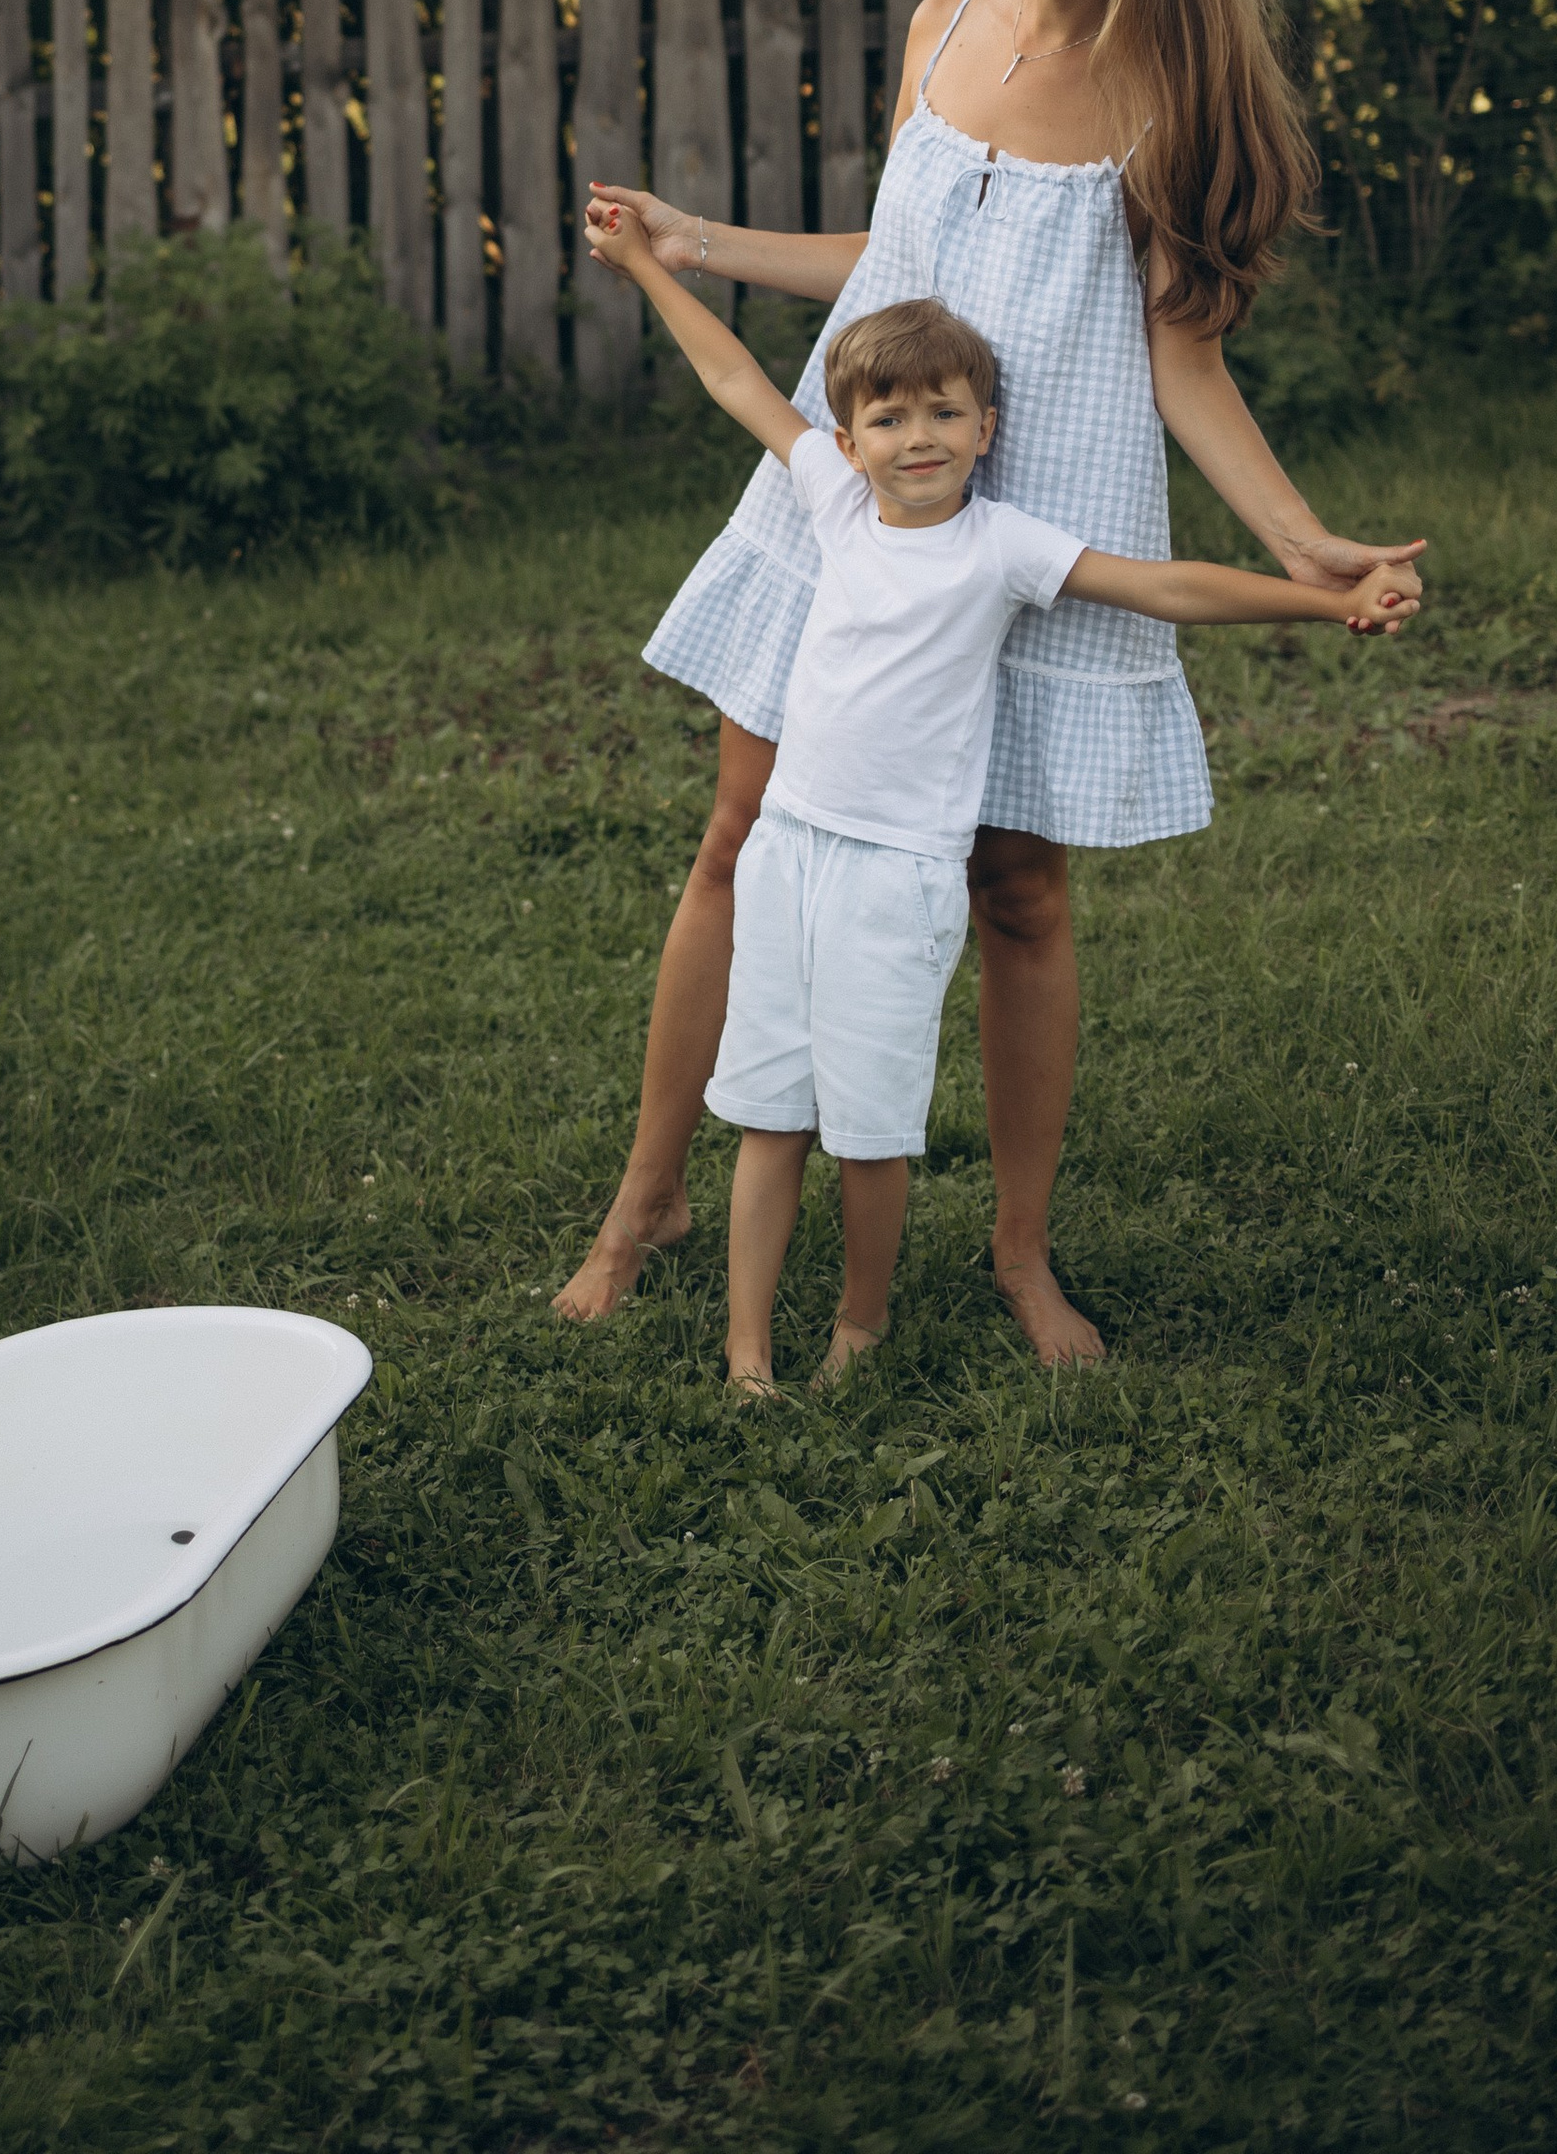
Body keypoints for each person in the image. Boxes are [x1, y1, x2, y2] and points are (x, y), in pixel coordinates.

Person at [556, 0, 1427, 1363]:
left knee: (1019, 892)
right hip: (869, 495)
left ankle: (1022, 1256)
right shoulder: (945, 27)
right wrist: (699, 242)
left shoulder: (1182, 100)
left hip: (1052, 507)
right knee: (742, 830)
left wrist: (1300, 541)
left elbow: (1183, 360)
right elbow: (897, 270)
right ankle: (647, 1199)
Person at [572, 238, 1419, 1392]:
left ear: (986, 430)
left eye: (942, 414)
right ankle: (745, 1355)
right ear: (848, 437)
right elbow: (733, 380)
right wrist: (651, 269)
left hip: (900, 880)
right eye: (885, 420)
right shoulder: (827, 498)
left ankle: (857, 1333)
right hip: (788, 854)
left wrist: (1321, 600)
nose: (914, 438)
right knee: (769, 1116)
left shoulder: (1001, 548)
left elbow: (1163, 585)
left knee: (869, 1130)